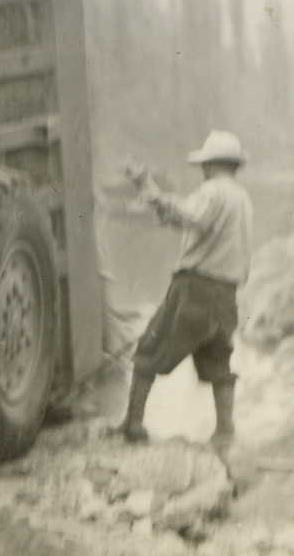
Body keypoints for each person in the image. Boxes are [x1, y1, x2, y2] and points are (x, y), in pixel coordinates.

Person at [120, 130, 253, 448]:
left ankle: (133, 425)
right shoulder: (241, 198)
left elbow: (191, 214)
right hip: (226, 294)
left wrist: (147, 188)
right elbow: (189, 221)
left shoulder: (212, 191)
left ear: (209, 166)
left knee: (148, 349)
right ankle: (225, 432)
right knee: (218, 359)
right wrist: (152, 193)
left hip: (196, 288)